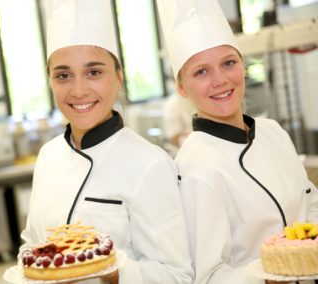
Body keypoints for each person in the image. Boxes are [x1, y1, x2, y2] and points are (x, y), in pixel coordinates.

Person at [19, 0, 193, 283]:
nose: (78, 90)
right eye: (63, 75)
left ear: (118, 79)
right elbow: (31, 242)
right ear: (50, 82)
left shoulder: (149, 163)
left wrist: (112, 271)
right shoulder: (48, 156)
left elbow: (176, 275)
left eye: (94, 72)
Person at [156, 0, 318, 283]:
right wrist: (270, 275)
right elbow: (208, 276)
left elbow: (310, 201)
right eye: (201, 72)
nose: (220, 80)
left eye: (228, 63)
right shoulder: (193, 168)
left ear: (243, 66)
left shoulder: (272, 132)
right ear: (181, 86)